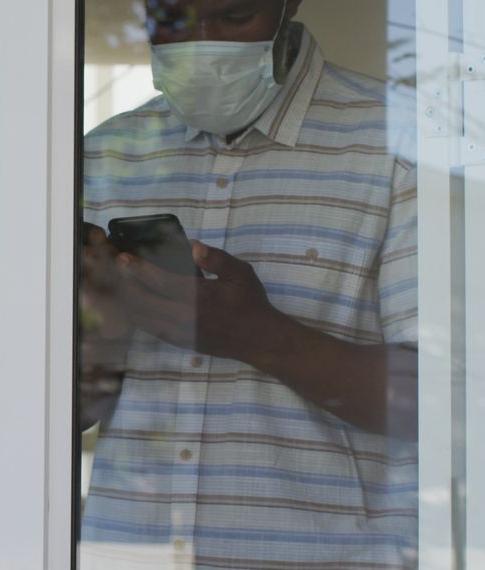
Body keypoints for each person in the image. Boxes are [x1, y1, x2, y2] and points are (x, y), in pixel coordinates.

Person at [79, 0, 419, 567]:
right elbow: (47, 413)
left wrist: (256, 336)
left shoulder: (404, 147)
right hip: (127, 550)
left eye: (234, 17)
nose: (202, 41)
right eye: (172, 18)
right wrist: (100, 331)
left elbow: (450, 404)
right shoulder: (101, 157)